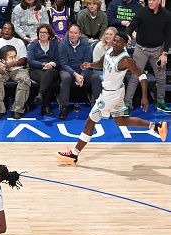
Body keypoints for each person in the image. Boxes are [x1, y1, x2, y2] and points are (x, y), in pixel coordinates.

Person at [56, 32, 167, 165]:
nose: (115, 43)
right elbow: (100, 64)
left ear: (125, 44)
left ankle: (74, 154)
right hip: (116, 92)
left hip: (110, 96)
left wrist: (144, 96)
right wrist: (90, 65)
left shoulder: (126, 60)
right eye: (114, 40)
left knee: (90, 121)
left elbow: (142, 76)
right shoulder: (109, 51)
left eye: (118, 42)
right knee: (121, 120)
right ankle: (156, 127)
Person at [124, 0, 171, 114]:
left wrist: (164, 53)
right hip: (141, 50)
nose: (150, 2)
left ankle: (160, 102)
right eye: (149, 0)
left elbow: (169, 35)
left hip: (158, 52)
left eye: (153, 0)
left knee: (161, 77)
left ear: (159, 1)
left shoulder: (167, 15)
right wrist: (127, 34)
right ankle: (127, 104)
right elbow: (132, 25)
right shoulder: (142, 12)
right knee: (135, 76)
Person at [57, 24, 101, 120]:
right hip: (68, 70)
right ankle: (64, 107)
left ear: (79, 34)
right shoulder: (62, 45)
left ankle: (97, 107)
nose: (72, 35)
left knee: (95, 78)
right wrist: (75, 74)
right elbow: (64, 64)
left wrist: (82, 76)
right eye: (71, 32)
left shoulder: (85, 44)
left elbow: (87, 62)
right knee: (66, 78)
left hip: (83, 69)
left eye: (75, 33)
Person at [0, 22, 30, 119]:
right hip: (2, 69)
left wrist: (14, 63)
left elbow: (24, 60)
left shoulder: (19, 42)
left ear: (13, 31)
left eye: (9, 29)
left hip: (17, 69)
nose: (7, 30)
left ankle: (17, 109)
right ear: (2, 31)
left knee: (25, 80)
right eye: (5, 28)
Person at [27, 24, 59, 116]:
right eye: (41, 32)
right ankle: (45, 106)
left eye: (45, 32)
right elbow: (30, 60)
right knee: (47, 80)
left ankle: (40, 94)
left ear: (49, 34)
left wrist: (53, 64)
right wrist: (42, 64)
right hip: (36, 70)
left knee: (49, 74)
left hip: (52, 70)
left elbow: (58, 60)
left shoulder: (54, 45)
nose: (42, 34)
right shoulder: (33, 45)